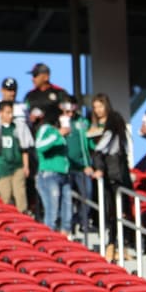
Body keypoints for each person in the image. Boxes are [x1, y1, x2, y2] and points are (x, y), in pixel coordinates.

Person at [89, 93, 133, 263]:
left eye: (100, 106)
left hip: (116, 173)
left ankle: (116, 245)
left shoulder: (114, 121)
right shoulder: (94, 125)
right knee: (110, 210)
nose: (98, 110)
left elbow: (104, 147)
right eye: (95, 107)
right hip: (110, 174)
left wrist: (99, 166)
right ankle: (113, 245)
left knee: (119, 210)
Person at [0, 99, 33, 213]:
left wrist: (26, 166)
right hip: (1, 167)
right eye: (7, 112)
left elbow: (24, 148)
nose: (10, 115)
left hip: (17, 165)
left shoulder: (18, 127)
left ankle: (23, 216)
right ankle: (9, 217)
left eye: (11, 112)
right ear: (0, 113)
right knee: (6, 196)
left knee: (20, 193)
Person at [32, 106, 71, 233]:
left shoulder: (59, 132)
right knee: (52, 211)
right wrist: (58, 134)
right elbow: (39, 145)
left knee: (67, 211)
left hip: (64, 174)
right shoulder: (46, 128)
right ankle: (49, 238)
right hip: (49, 175)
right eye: (62, 114)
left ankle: (65, 236)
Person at [60, 100, 94, 233]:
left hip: (82, 167)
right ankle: (67, 224)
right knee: (67, 197)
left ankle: (82, 221)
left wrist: (88, 164)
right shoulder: (58, 122)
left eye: (72, 110)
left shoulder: (83, 122)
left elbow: (89, 143)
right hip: (65, 168)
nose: (70, 113)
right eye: (67, 110)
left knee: (87, 194)